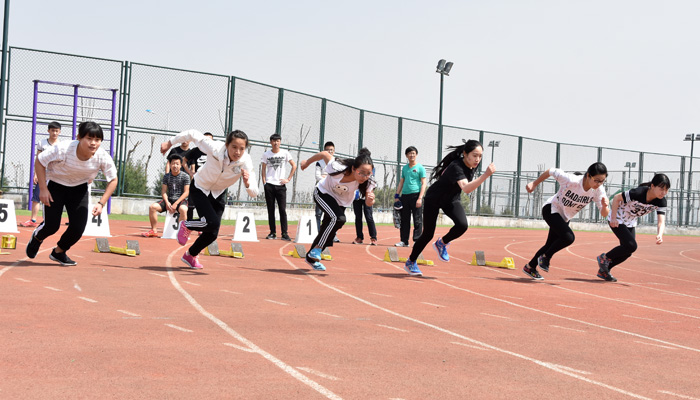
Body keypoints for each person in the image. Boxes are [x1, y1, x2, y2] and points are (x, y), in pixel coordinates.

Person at [160, 129, 258, 269]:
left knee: (212, 233)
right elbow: (193, 134)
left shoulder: (245, 161)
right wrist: (170, 142)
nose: (237, 152)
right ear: (227, 145)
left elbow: (254, 192)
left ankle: (190, 255)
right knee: (211, 222)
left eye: (241, 149)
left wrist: (248, 184)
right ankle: (186, 225)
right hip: (200, 187)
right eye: (234, 147)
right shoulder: (215, 148)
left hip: (218, 192)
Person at [25, 121, 118, 266]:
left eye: (98, 140)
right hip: (56, 186)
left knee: (78, 228)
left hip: (79, 188)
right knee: (52, 226)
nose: (93, 143)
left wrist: (101, 203)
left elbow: (113, 180)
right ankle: (37, 238)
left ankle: (59, 252)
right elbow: (40, 161)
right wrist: (43, 188)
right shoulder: (63, 148)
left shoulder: (102, 156)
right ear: (79, 137)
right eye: (89, 139)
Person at [403, 140, 495, 277]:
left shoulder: (473, 165)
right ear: (465, 154)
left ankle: (442, 243)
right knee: (428, 234)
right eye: (475, 155)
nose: (478, 159)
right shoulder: (456, 166)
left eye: (480, 156)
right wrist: (485, 175)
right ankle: (411, 261)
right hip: (434, 199)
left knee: (462, 225)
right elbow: (466, 188)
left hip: (451, 199)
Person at [523, 162, 610, 280]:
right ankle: (546, 257)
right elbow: (550, 171)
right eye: (596, 180)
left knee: (550, 245)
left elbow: (604, 214)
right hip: (551, 209)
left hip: (564, 217)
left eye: (602, 181)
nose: (599, 184)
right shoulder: (571, 180)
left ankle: (530, 267)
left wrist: (605, 207)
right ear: (588, 175)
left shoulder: (599, 191)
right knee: (568, 237)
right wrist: (534, 183)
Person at [299, 148, 376, 271]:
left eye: (368, 174)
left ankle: (311, 256)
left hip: (340, 203)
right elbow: (324, 154)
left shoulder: (368, 182)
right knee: (338, 219)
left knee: (328, 228)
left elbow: (368, 201)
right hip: (323, 193)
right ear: (353, 169)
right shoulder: (338, 167)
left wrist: (371, 200)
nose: (364, 177)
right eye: (361, 173)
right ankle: (318, 249)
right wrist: (307, 163)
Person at [596, 173, 669, 282]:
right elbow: (617, 198)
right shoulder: (639, 192)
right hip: (618, 218)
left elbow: (661, 221)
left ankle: (604, 270)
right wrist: (614, 218)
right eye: (661, 188)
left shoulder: (661, 201)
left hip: (630, 222)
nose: (664, 192)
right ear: (653, 186)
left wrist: (660, 234)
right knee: (631, 245)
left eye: (666, 189)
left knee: (628, 251)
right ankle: (604, 257)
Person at [21, 121, 63, 227]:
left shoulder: (61, 145)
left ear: (59, 132)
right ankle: (33, 220)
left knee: (52, 199)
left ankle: (47, 221)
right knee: (36, 197)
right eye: (52, 130)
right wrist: (36, 174)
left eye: (56, 131)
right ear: (48, 131)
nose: (54, 133)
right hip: (42, 174)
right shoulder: (42, 143)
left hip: (54, 175)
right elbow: (38, 159)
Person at [141, 154, 190, 237]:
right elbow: (163, 192)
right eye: (173, 163)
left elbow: (186, 192)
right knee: (152, 207)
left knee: (184, 209)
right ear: (170, 164)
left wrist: (176, 203)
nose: (175, 166)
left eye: (177, 164)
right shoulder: (166, 176)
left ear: (181, 165)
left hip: (180, 200)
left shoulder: (185, 176)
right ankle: (154, 230)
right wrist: (167, 203)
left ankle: (181, 233)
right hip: (169, 199)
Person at [261, 133, 296, 241]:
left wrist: (288, 179)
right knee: (270, 210)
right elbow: (263, 169)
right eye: (274, 141)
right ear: (271, 142)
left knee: (282, 210)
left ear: (280, 142)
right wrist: (264, 182)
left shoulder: (285, 153)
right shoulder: (266, 154)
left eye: (278, 141)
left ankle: (284, 233)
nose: (276, 143)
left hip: (281, 185)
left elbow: (294, 165)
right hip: (270, 185)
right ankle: (272, 232)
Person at [394, 146, 427, 247]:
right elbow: (401, 182)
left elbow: (424, 183)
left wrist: (420, 198)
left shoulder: (420, 168)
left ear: (416, 155)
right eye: (409, 153)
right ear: (406, 155)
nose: (411, 155)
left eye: (413, 153)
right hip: (405, 196)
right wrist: (397, 195)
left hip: (416, 195)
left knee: (417, 219)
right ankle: (404, 241)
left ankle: (417, 241)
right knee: (404, 219)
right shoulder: (404, 168)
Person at [182, 132, 214, 221]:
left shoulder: (215, 151)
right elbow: (184, 161)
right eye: (206, 139)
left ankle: (204, 227)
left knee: (207, 207)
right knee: (191, 206)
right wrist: (190, 172)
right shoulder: (196, 150)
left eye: (210, 140)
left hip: (210, 183)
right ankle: (188, 227)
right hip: (197, 182)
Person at [352, 168, 377, 245]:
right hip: (356, 197)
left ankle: (373, 237)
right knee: (358, 217)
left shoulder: (371, 168)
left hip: (366, 196)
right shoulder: (355, 168)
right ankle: (359, 237)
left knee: (369, 216)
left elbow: (372, 184)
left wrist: (370, 196)